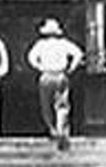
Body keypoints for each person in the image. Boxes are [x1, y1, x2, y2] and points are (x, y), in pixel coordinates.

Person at [26, 18, 84, 149]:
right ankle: (60, 128)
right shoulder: (63, 43)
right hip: (60, 74)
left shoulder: (40, 44)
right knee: (62, 105)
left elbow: (30, 58)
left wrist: (39, 67)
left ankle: (52, 129)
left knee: (46, 104)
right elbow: (78, 54)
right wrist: (71, 67)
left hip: (46, 75)